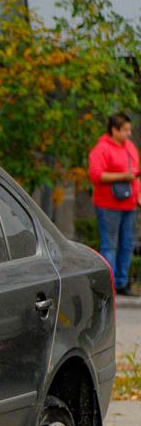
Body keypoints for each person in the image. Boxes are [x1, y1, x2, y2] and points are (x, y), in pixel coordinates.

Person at [88, 112, 140, 295]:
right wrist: (122, 176)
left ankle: (121, 283)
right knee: (109, 244)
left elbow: (136, 175)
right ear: (114, 129)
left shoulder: (130, 148)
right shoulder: (101, 149)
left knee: (127, 244)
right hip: (108, 205)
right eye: (125, 129)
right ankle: (108, 284)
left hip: (129, 204)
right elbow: (96, 175)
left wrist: (138, 195)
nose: (129, 133)